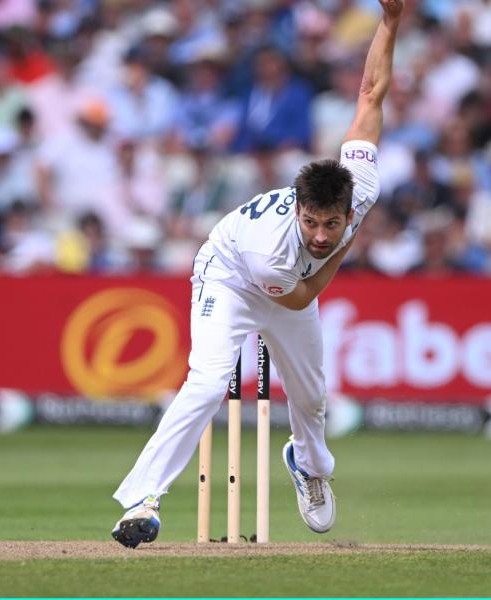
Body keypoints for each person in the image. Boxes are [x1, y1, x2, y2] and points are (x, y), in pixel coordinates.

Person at [110, 0, 404, 549]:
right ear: (298, 208)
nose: (321, 234)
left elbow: (370, 93)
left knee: (311, 396)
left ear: (350, 206)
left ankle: (308, 464)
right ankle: (142, 499)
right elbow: (300, 295)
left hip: (291, 284)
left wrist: (390, 23)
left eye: (332, 224)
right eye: (312, 223)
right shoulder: (279, 248)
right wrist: (342, 248)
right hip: (231, 277)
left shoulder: (361, 186)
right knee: (208, 381)